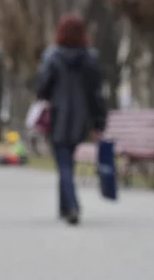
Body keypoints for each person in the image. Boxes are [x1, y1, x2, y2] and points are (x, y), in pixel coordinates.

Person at [36, 15, 106, 226]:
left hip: (58, 116)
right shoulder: (90, 58)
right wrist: (98, 120)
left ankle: (73, 205)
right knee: (68, 161)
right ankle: (64, 206)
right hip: (81, 118)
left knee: (63, 162)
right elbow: (96, 92)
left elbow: (42, 88)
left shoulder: (52, 57)